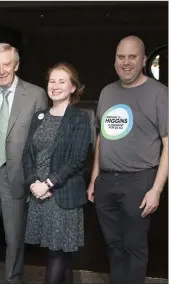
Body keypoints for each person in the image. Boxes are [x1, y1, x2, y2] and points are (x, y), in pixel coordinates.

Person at [87, 35, 168, 284]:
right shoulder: (107, 92)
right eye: (121, 57)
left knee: (134, 247)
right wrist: (94, 179)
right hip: (106, 182)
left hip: (140, 181)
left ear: (143, 60)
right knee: (114, 246)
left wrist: (156, 189)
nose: (126, 62)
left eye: (132, 57)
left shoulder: (159, 93)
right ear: (114, 62)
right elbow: (102, 138)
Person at [0, 43, 49, 283]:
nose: (1, 70)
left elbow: (41, 144)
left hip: (17, 178)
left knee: (14, 239)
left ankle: (13, 280)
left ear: (16, 65)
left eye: (6, 64)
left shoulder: (36, 95)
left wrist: (35, 180)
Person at [22, 62, 91, 284]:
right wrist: (33, 182)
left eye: (62, 81)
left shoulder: (79, 118)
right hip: (39, 195)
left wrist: (48, 183)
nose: (56, 86)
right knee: (62, 254)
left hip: (62, 196)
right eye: (52, 81)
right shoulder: (39, 116)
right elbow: (27, 154)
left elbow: (77, 158)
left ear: (73, 88)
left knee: (57, 252)